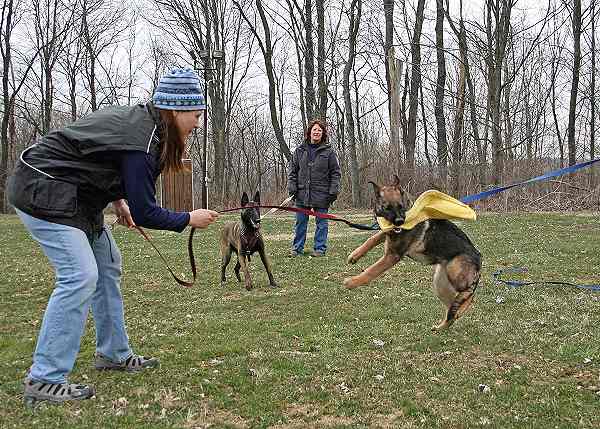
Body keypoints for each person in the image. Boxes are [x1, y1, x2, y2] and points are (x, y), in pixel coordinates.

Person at [6, 67, 219, 406]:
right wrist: (188, 218)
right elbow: (148, 212)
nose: (198, 123)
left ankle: (113, 354)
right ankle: (45, 379)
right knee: (80, 275)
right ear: (176, 110)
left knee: (106, 265)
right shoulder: (143, 140)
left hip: (75, 195)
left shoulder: (146, 128)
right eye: (195, 115)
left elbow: (96, 156)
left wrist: (119, 199)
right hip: (42, 188)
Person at [287, 119, 341, 257]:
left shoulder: (329, 152)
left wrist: (333, 191)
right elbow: (293, 171)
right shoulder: (299, 151)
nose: (316, 132)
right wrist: (292, 187)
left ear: (323, 134)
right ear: (309, 132)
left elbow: (335, 173)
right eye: (314, 129)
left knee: (322, 224)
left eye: (319, 130)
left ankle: (320, 249)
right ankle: (297, 249)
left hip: (322, 194)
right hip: (302, 193)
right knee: (300, 223)